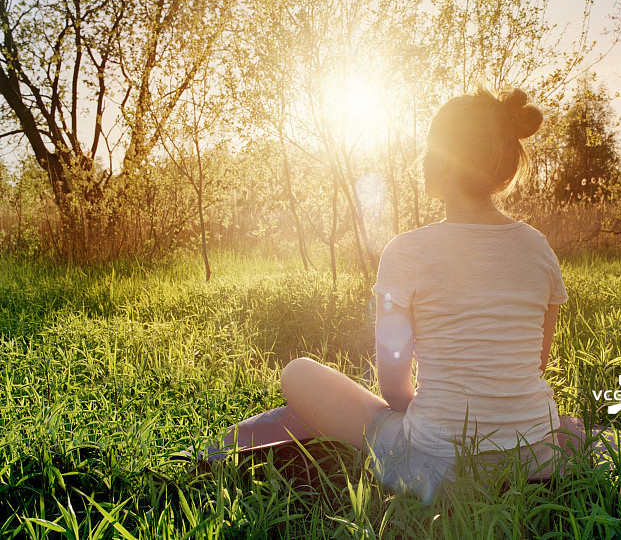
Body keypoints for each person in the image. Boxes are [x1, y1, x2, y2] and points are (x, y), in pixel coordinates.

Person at [207, 86, 568, 503]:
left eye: (431, 146)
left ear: (447, 160)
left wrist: (428, 416)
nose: (424, 157)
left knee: (298, 373)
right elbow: (533, 364)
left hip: (437, 466)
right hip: (538, 458)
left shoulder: (408, 250)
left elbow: (395, 390)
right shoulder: (538, 247)